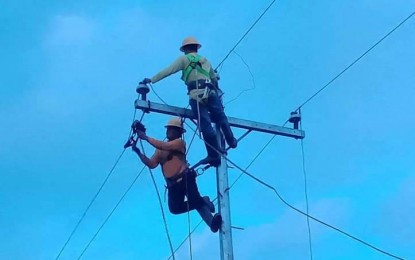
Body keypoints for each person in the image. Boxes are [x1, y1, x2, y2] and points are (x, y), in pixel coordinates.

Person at [141, 36, 237, 167]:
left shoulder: (184, 59)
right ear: (196, 48)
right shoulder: (205, 60)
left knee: (206, 126)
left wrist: (151, 79)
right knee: (220, 117)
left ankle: (214, 155)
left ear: (185, 49)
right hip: (211, 92)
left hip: (196, 95)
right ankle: (231, 141)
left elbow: (168, 70)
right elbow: (214, 79)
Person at [131, 117, 222, 233]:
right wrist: (139, 152)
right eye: (169, 129)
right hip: (173, 185)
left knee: (194, 200)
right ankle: (203, 200)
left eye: (172, 129)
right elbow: (152, 164)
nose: (169, 131)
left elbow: (165, 146)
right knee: (175, 208)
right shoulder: (160, 150)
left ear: (178, 132)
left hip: (186, 178)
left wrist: (145, 137)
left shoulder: (179, 143)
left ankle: (212, 223)